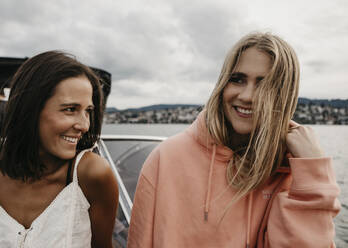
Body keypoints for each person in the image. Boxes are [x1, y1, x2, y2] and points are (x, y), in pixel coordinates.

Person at [127, 33, 340, 247]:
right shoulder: (166, 159)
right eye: (237, 79)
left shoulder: (292, 171)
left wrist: (314, 175)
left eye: (264, 84)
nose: (247, 96)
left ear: (284, 95)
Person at [0, 51, 118, 247]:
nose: (84, 125)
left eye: (88, 111)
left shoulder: (93, 175)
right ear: (29, 109)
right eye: (70, 109)